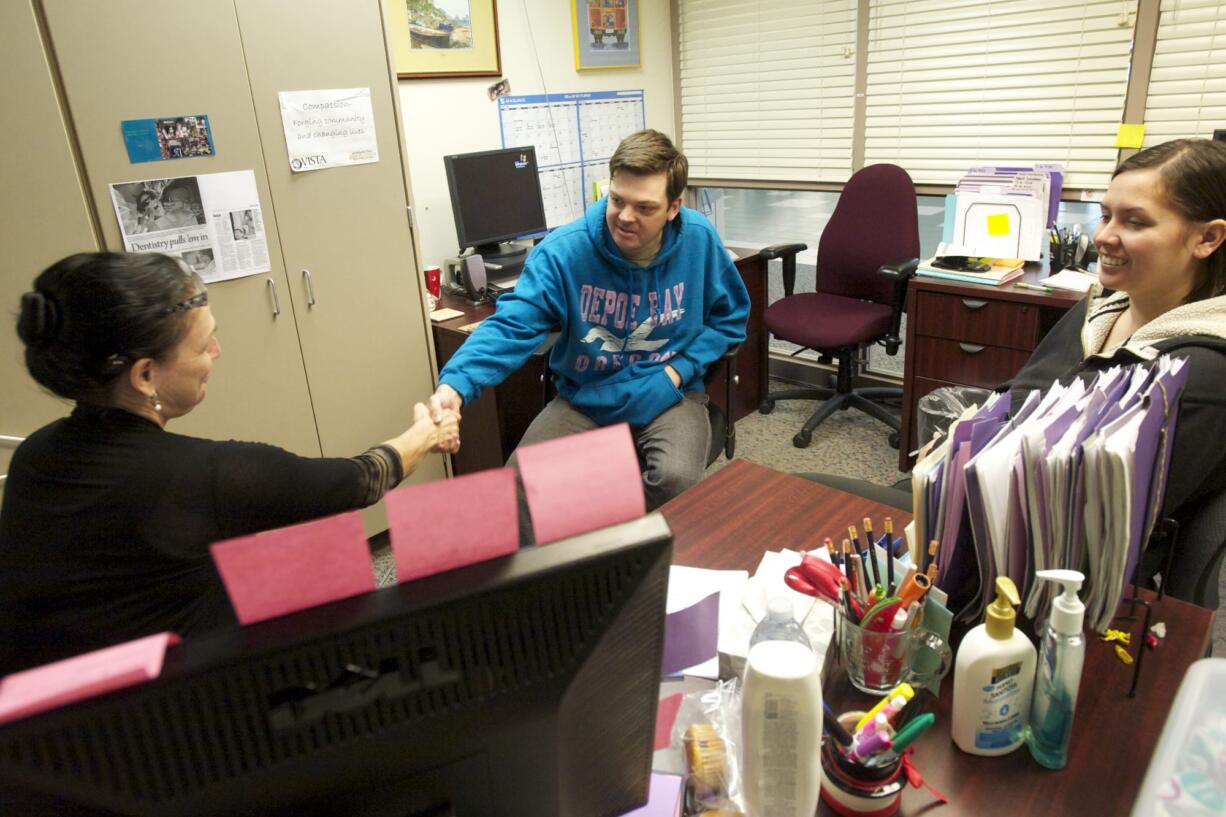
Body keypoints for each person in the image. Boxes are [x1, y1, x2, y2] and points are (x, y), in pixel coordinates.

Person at [0, 252, 459, 674]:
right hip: (163, 716)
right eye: (203, 345)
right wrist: (425, 433)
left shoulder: (34, 457)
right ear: (144, 375)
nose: (216, 351)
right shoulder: (200, 477)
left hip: (50, 718)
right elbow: (359, 481)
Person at [428, 129, 750, 512]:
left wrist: (678, 371)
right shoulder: (565, 251)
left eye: (644, 208)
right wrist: (455, 386)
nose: (626, 217)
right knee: (522, 485)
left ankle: (634, 559)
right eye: (617, 200)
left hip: (672, 393)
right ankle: (569, 566)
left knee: (675, 477)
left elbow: (730, 318)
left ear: (673, 207)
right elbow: (511, 325)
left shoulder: (698, 239)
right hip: (589, 395)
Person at [1006, 138, 1226, 526]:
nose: (1104, 236)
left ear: (1207, 238)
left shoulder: (1201, 370)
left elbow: (1103, 518)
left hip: (1051, 552)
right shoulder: (1100, 308)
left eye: (1135, 221)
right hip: (1001, 495)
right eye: (1106, 215)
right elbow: (1022, 395)